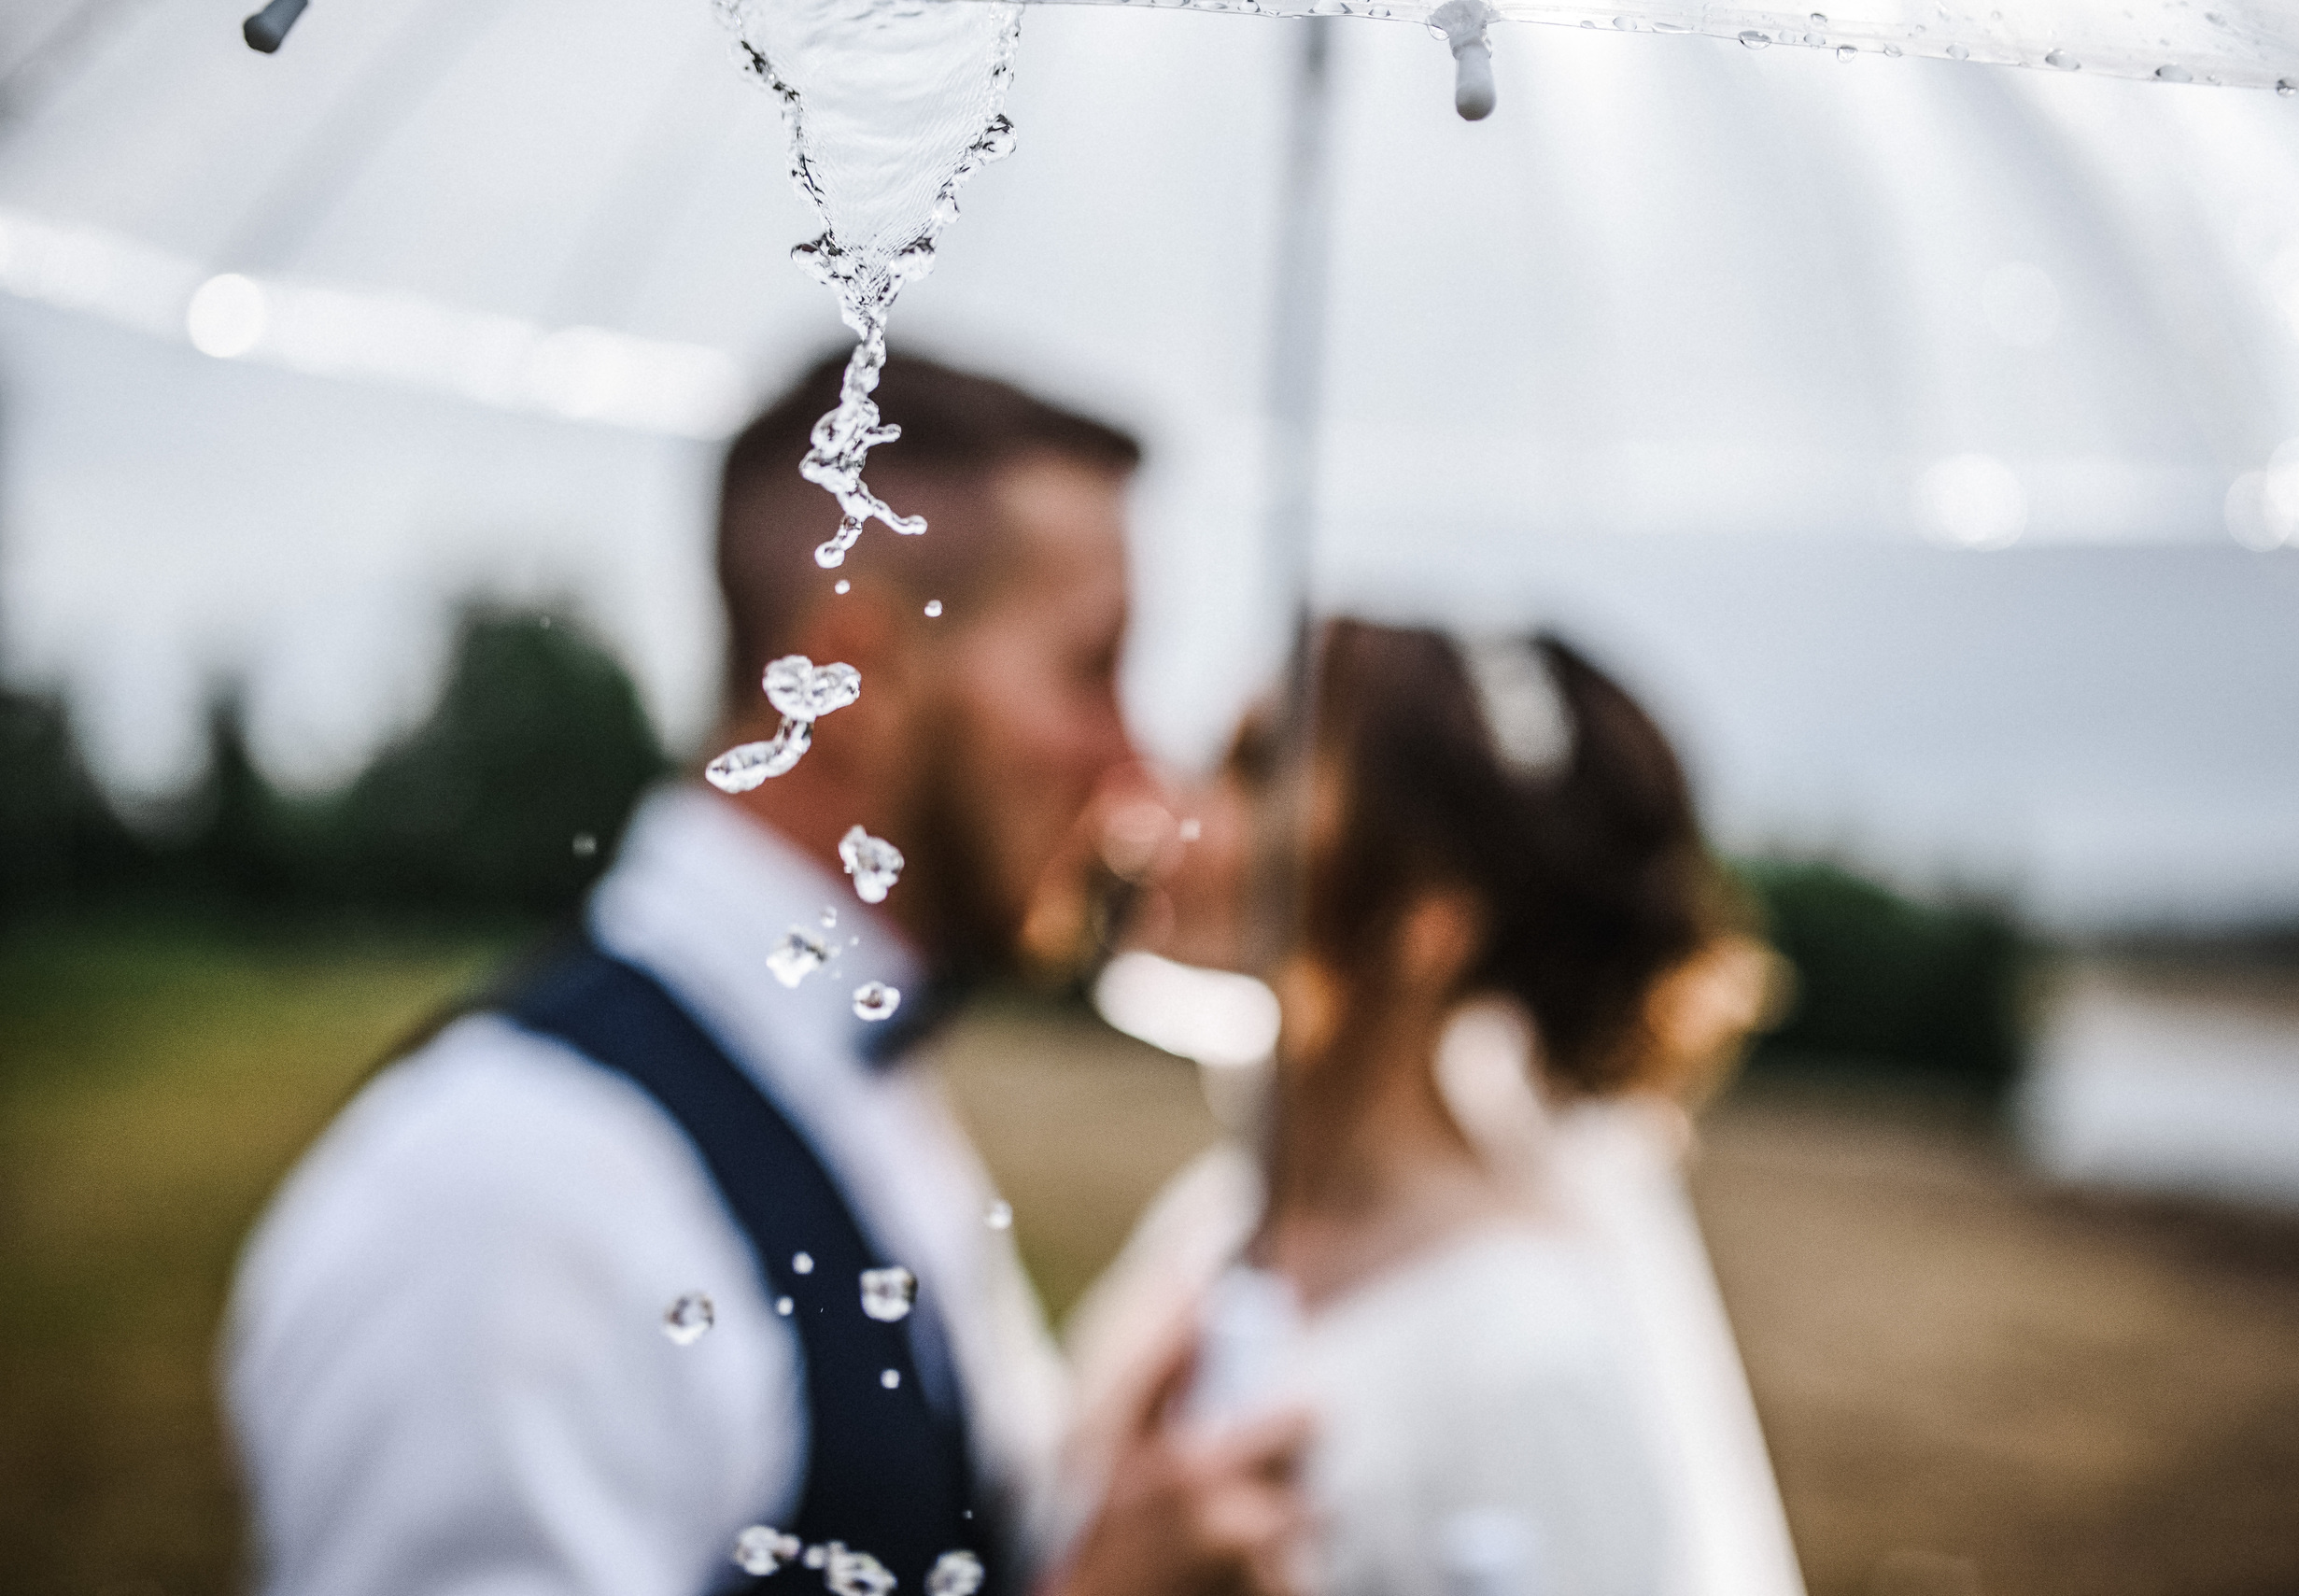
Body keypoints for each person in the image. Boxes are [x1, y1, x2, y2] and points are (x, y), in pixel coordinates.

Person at [222, 353, 1309, 1596]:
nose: (1135, 769)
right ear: (854, 675)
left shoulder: (858, 1079)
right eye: (1091, 666)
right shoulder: (512, 1195)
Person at [1065, 619, 1805, 1596]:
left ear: (1429, 917)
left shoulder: (1530, 1367)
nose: (1163, 808)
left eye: (1254, 771)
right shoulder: (1211, 1220)